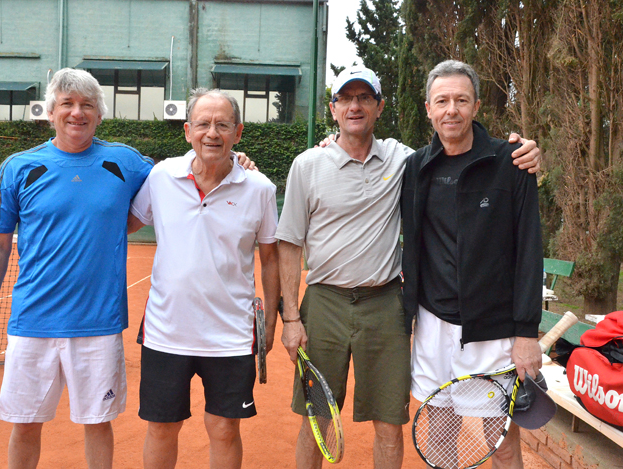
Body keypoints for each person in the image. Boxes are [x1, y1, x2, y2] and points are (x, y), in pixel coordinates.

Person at [0, 69, 253, 469]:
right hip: (31, 321)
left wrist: (235, 160)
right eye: (67, 104)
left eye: (87, 105)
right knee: (25, 424)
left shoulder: (125, 161)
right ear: (50, 111)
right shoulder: (18, 168)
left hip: (98, 325)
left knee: (98, 425)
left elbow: (187, 170)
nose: (77, 113)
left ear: (99, 115)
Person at [277, 66, 541, 469]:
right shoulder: (332, 165)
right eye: (346, 98)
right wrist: (292, 317)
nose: (355, 106)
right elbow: (289, 242)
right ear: (333, 109)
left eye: (365, 98)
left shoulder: (420, 161)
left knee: (428, 430)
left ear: (380, 107)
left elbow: (525, 245)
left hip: (420, 313)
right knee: (324, 421)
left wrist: (527, 149)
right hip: (362, 312)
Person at [127, 88, 281, 469]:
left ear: (238, 132)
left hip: (231, 336)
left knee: (225, 430)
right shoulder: (161, 177)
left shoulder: (260, 189)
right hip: (166, 333)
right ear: (187, 131)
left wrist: (272, 322)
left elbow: (271, 258)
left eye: (222, 125)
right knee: (162, 428)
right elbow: (125, 223)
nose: (212, 133)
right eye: (203, 124)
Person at [401, 60, 543, 469]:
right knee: (440, 432)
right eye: (442, 101)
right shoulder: (415, 167)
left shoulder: (512, 161)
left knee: (500, 442)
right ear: (428, 108)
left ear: (476, 106)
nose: (452, 110)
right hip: (432, 326)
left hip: (493, 331)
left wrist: (526, 332)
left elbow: (529, 249)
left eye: (461, 100)